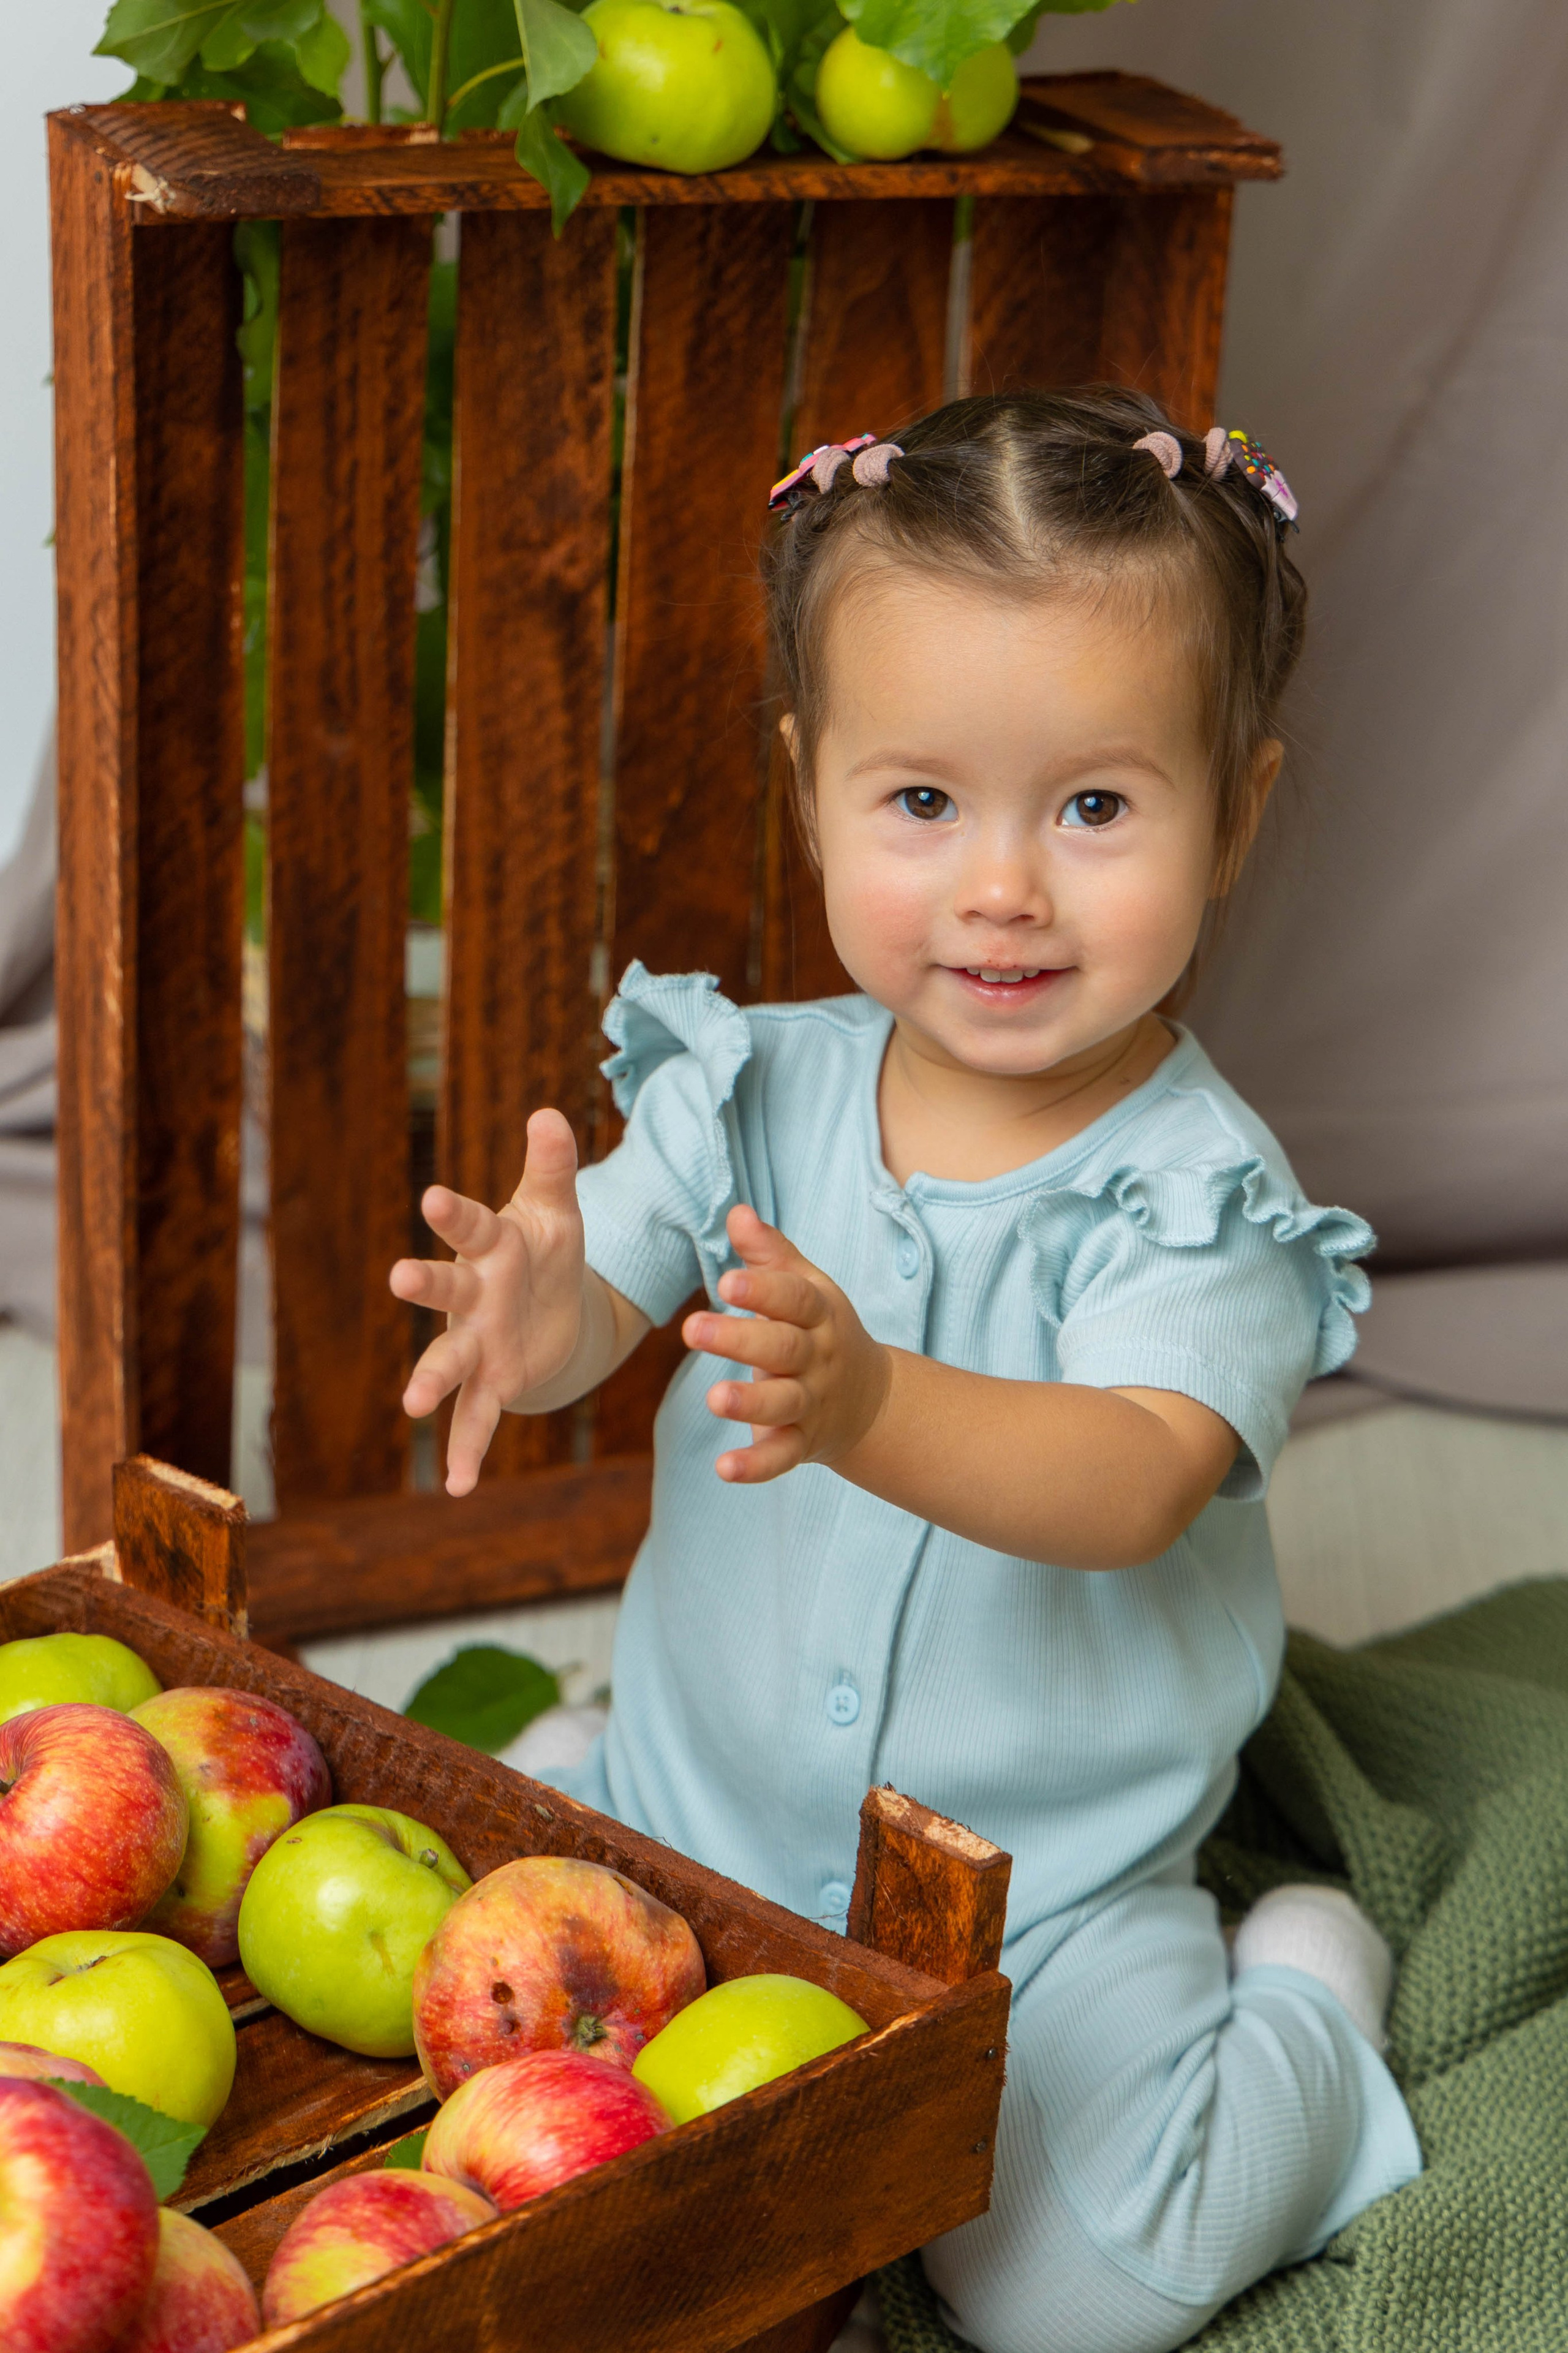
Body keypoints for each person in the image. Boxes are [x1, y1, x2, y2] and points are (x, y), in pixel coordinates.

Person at [388, 390, 1421, 2353]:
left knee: (1075, 2290)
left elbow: (1132, 1474)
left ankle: (1300, 1992)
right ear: (811, 786)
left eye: (1097, 804)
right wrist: (544, 1315)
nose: (1004, 886)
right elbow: (621, 1267)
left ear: (1241, 809)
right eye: (924, 800)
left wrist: (871, 1404)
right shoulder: (750, 1081)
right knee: (452, 2036)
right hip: (682, 1809)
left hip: (1049, 1900)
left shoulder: (1200, 1197)